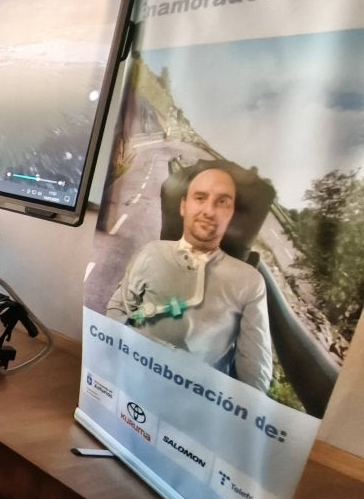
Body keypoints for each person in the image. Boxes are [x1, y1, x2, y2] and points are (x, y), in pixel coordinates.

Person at [105, 166, 272, 392]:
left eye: (222, 202)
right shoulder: (151, 253)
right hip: (132, 379)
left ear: (231, 213)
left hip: (195, 399)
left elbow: (255, 377)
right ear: (184, 206)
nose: (209, 211)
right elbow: (117, 312)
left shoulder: (250, 281)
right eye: (200, 198)